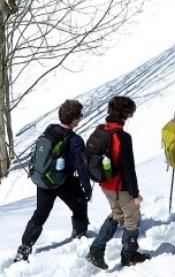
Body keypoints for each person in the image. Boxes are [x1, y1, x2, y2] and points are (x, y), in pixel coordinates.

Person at [15, 100, 91, 263]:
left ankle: (24, 248)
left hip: (44, 179)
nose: (81, 119)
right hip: (65, 181)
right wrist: (87, 189)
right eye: (80, 116)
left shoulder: (50, 129)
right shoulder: (75, 140)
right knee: (79, 205)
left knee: (40, 214)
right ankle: (80, 235)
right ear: (74, 120)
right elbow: (82, 167)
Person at [86, 96, 151, 269]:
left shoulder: (101, 130)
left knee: (116, 214)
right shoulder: (122, 137)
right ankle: (129, 255)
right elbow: (129, 169)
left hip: (105, 184)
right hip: (120, 186)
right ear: (127, 114)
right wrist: (135, 194)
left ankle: (96, 250)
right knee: (132, 219)